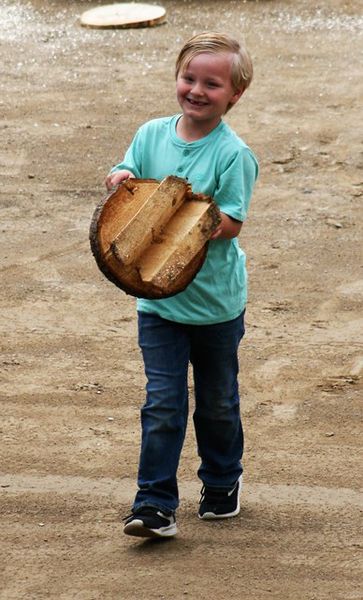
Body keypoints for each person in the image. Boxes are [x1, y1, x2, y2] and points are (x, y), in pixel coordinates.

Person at [105, 32, 259, 539]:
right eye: (189, 78)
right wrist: (123, 178)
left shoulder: (234, 155)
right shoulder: (151, 134)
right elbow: (130, 174)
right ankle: (153, 503)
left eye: (211, 84)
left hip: (215, 306)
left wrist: (192, 221)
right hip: (158, 301)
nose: (196, 90)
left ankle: (220, 482)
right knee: (164, 402)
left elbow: (233, 221)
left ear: (234, 95)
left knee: (217, 402)